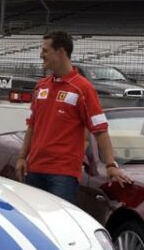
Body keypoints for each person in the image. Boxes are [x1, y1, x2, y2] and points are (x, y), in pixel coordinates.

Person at [15, 31, 132, 203]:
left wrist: (110, 165)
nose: (41, 55)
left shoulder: (83, 88)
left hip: (63, 175)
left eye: (45, 50)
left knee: (59, 225)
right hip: (35, 170)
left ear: (60, 52)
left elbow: (100, 129)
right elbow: (32, 125)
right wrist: (22, 157)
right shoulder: (41, 86)